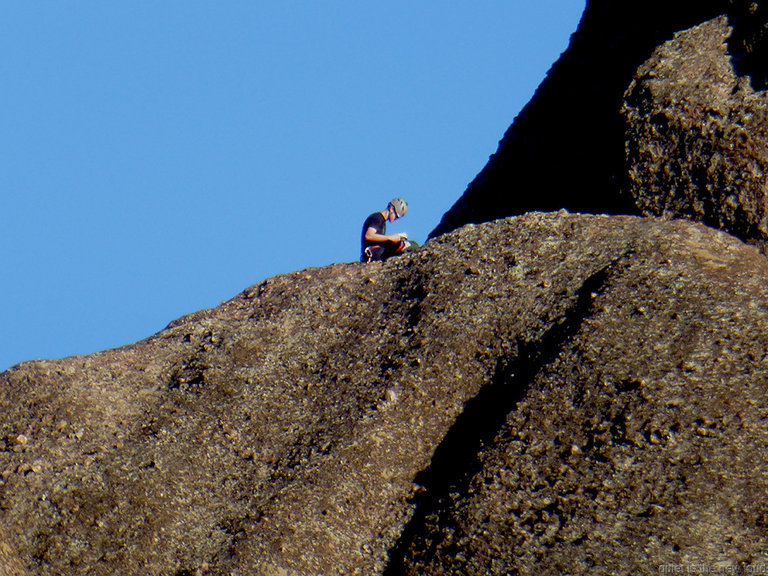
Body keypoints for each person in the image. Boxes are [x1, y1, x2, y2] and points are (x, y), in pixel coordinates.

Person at [361, 198, 409, 262]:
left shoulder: (382, 223)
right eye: (397, 215)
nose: (396, 219)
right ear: (391, 209)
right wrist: (390, 238)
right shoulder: (377, 218)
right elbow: (369, 235)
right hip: (371, 255)